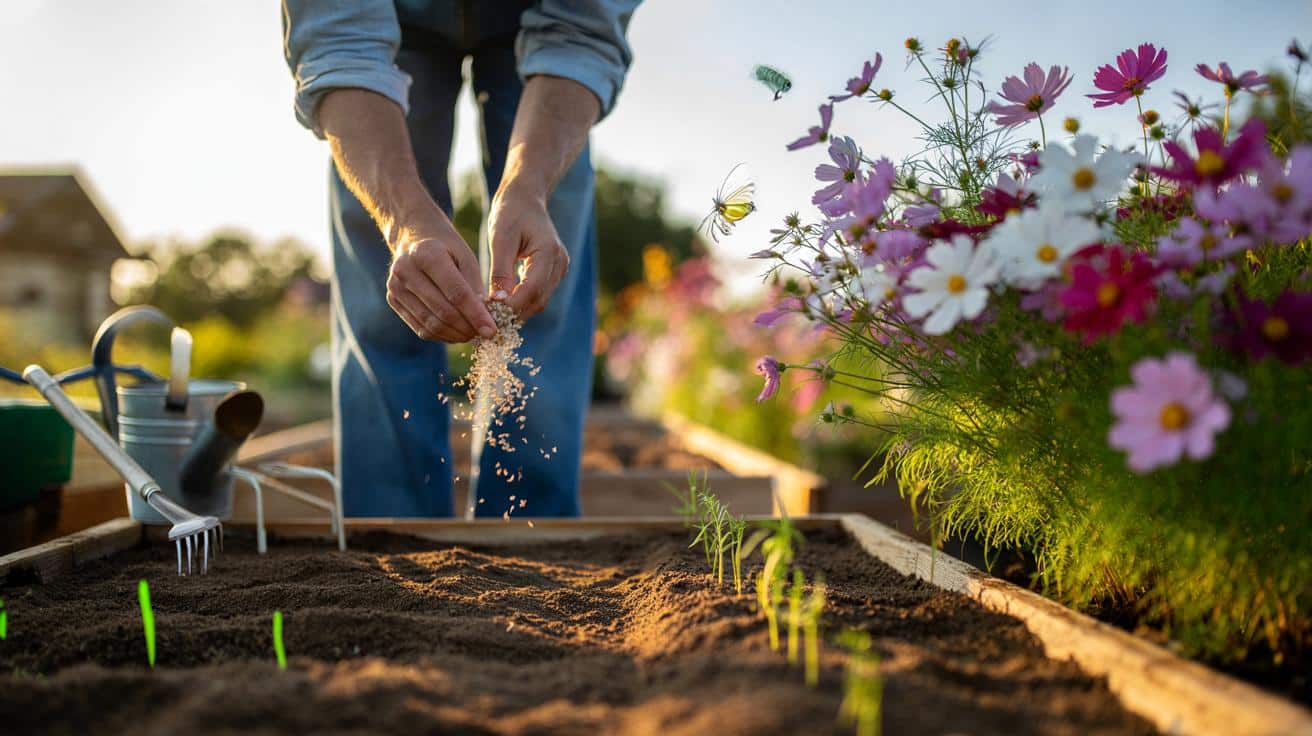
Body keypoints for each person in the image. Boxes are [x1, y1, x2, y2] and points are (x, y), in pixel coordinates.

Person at [281, 1, 640, 518]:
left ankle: (531, 523)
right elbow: (340, 45)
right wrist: (403, 220)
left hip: (544, 18)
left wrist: (531, 189)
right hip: (392, 18)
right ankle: (392, 526)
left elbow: (582, 34)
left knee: (542, 270)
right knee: (394, 276)